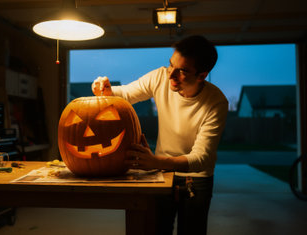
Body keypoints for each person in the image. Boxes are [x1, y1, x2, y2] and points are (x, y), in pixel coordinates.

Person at [91, 35, 228, 235]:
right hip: (162, 173)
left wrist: (156, 162)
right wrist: (106, 90)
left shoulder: (216, 103)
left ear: (202, 75)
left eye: (182, 71)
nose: (171, 75)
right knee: (155, 229)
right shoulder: (160, 77)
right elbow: (126, 94)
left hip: (196, 178)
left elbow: (202, 158)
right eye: (171, 64)